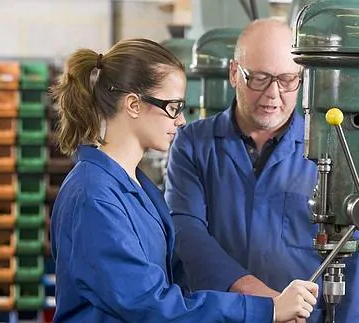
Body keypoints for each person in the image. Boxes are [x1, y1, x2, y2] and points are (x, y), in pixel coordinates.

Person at [49, 38, 319, 323]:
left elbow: (173, 287)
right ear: (133, 105)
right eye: (173, 107)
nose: (179, 121)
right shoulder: (94, 196)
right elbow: (149, 305)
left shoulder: (137, 187)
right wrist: (268, 310)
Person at [165, 19, 359, 323]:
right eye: (259, 78)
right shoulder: (193, 144)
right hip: (220, 315)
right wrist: (265, 300)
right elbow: (186, 232)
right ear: (235, 73)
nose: (273, 94)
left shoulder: (331, 148)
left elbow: (351, 254)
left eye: (287, 80)